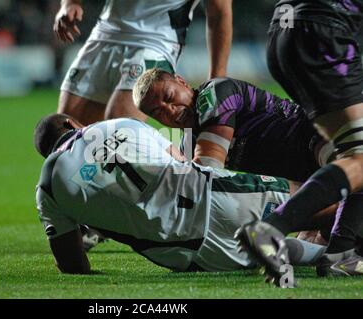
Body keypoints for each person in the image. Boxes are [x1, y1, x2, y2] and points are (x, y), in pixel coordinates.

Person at [34, 113, 334, 275]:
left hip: (190, 255)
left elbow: (73, 265)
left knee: (271, 251)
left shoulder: (47, 188)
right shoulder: (120, 123)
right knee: (312, 199)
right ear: (70, 123)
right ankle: (347, 229)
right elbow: (180, 160)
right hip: (212, 197)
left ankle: (331, 258)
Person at [238, 0, 363, 279]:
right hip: (324, 30)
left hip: (284, 30)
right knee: (360, 157)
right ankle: (272, 229)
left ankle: (340, 255)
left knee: (353, 154)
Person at [132, 69, 335, 183]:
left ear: (182, 82)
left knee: (343, 172)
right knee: (308, 242)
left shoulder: (215, 93)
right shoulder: (188, 142)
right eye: (158, 112)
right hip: (304, 178)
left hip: (317, 134)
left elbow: (207, 169)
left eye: (170, 97)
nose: (171, 110)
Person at [53, 0, 233, 125]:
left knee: (117, 135)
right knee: (65, 138)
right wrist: (70, 3)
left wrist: (216, 81)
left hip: (155, 42)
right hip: (104, 34)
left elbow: (219, 12)